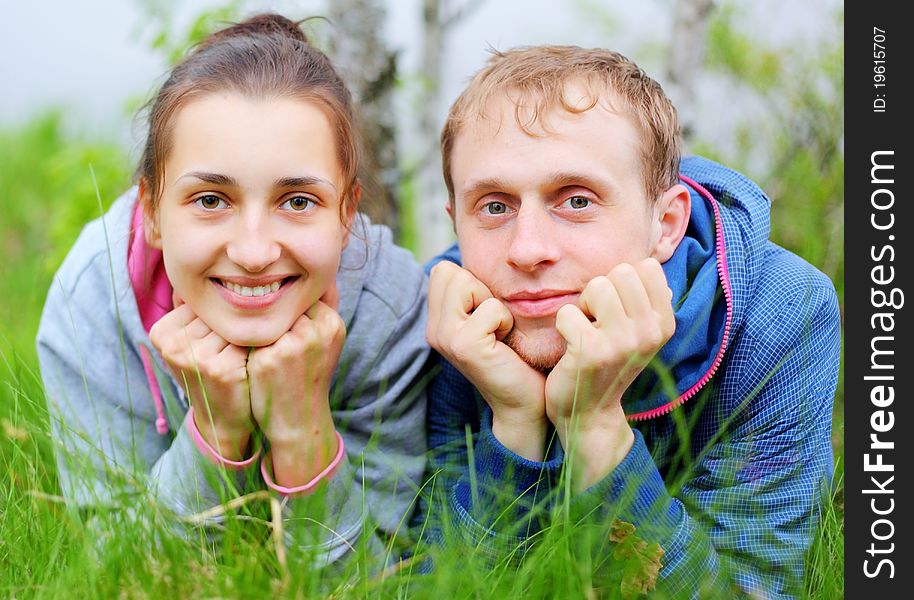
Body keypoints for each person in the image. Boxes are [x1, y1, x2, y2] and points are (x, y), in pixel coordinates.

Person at [420, 46, 840, 598]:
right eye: (495, 206)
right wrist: (515, 422)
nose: (527, 251)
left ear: (665, 224)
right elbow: (430, 585)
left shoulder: (780, 312)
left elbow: (747, 589)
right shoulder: (456, 321)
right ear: (456, 222)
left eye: (575, 200)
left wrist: (593, 424)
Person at [36, 14, 428, 567]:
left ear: (346, 213)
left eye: (297, 202)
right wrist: (214, 433)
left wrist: (302, 431)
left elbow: (379, 578)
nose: (252, 251)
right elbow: (121, 574)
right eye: (211, 200)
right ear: (151, 210)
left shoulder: (393, 306)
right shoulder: (92, 300)